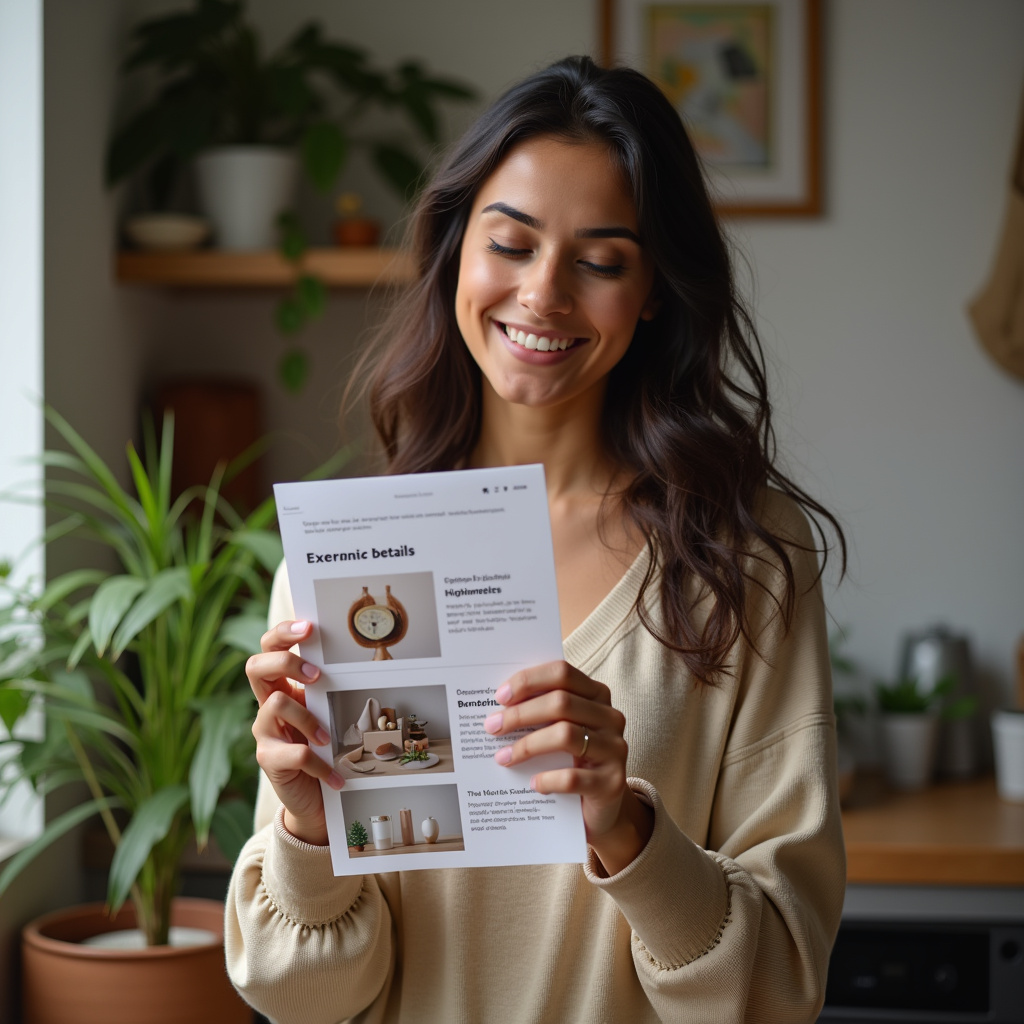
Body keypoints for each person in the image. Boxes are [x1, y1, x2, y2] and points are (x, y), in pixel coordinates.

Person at [226, 55, 847, 1024]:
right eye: (510, 243)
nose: (543, 293)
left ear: (650, 290)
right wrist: (308, 828)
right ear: (455, 250)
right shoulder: (353, 557)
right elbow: (301, 998)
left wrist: (627, 830)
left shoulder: (746, 553)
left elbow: (777, 987)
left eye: (599, 261)